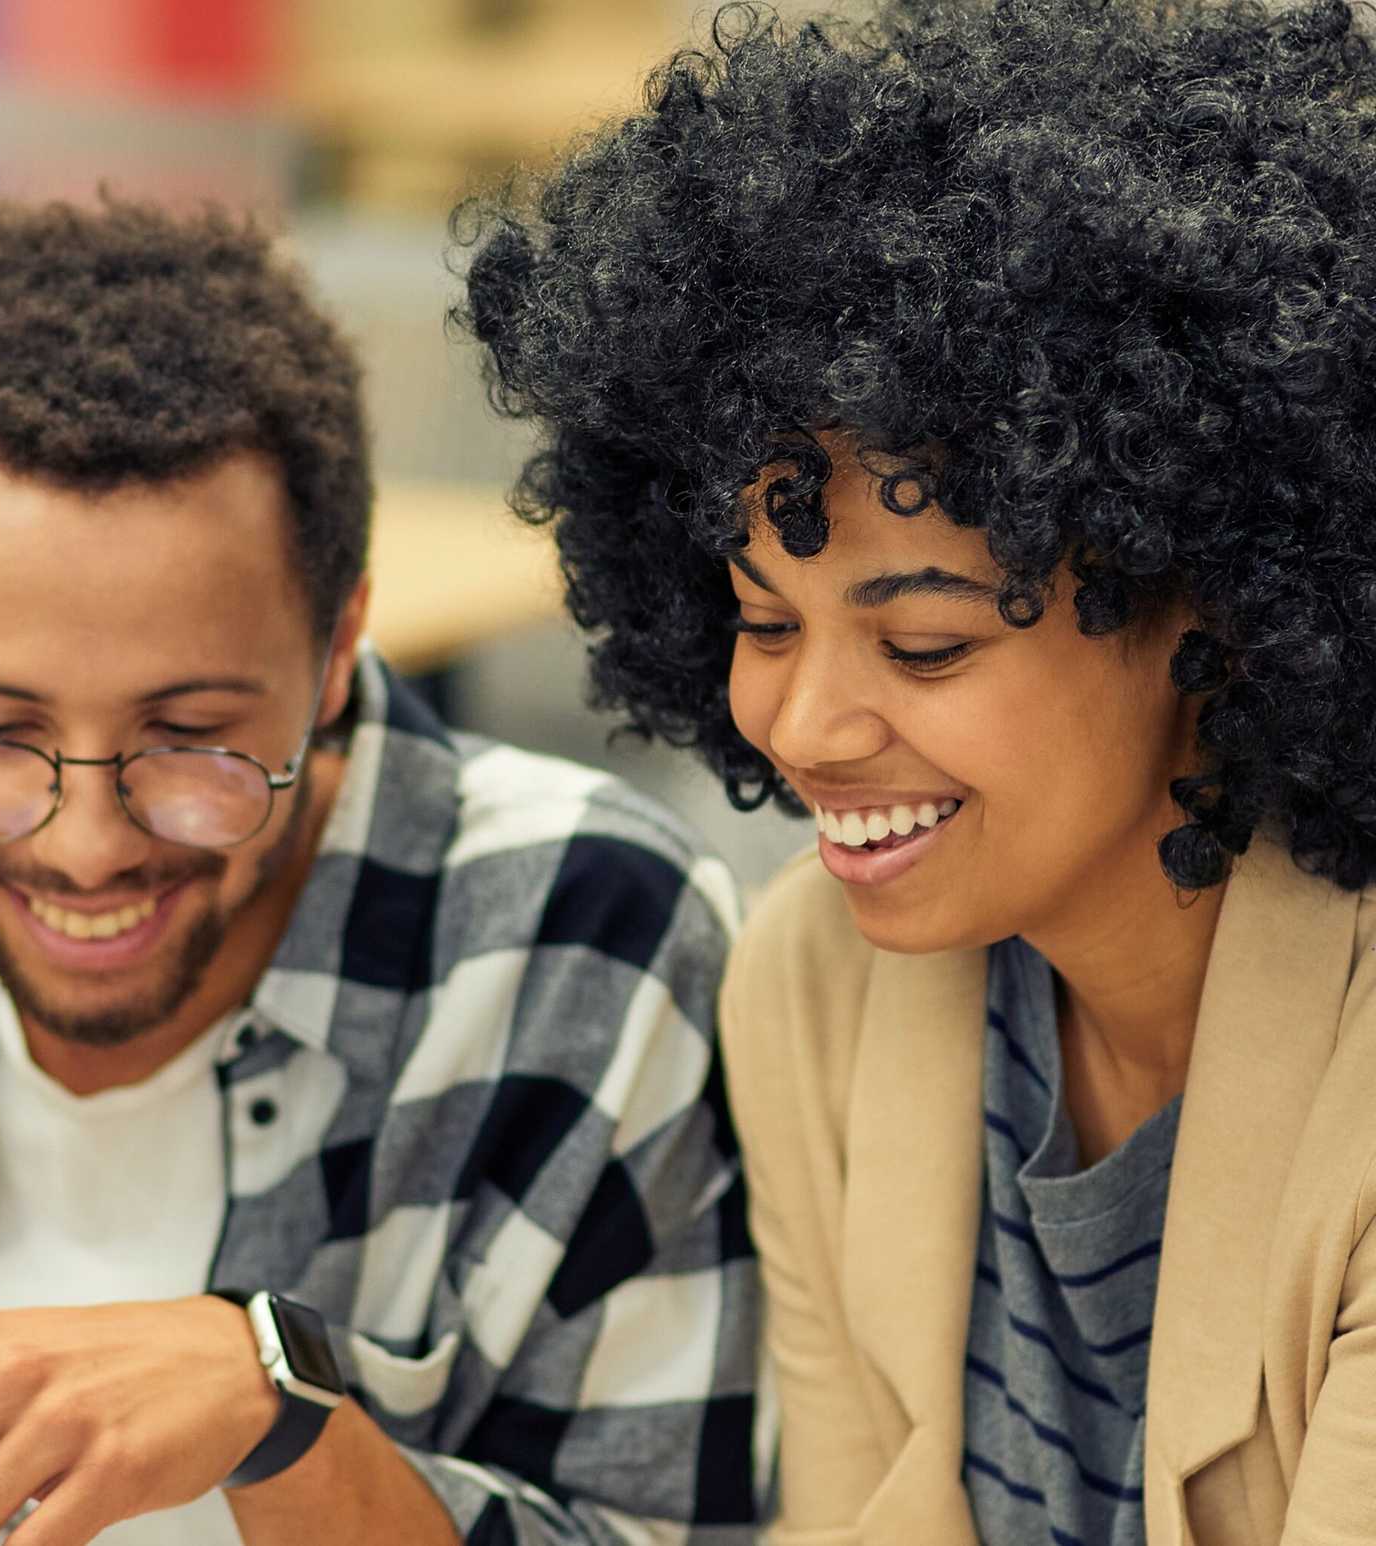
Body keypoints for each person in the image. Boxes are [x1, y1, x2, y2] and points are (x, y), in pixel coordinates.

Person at [0, 199, 759, 1545]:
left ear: (337, 648)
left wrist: (278, 1409)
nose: (87, 844)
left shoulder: (584, 931)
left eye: (190, 739)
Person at [458, 0, 1376, 1540]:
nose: (807, 725)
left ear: (1210, 599)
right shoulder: (813, 993)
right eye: (762, 619)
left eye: (929, 645)